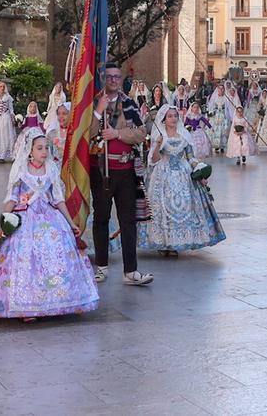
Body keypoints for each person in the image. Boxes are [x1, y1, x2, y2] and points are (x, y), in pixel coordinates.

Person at [0, 129, 99, 320]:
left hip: (50, 219)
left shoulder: (51, 170)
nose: (44, 152)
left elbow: (58, 199)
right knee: (26, 259)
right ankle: (26, 306)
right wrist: (3, 221)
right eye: (40, 148)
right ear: (30, 150)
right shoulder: (21, 171)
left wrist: (70, 222)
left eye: (46, 148)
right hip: (25, 219)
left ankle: (56, 301)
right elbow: (12, 198)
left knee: (54, 255)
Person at [90, 65, 154, 286]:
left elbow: (141, 132)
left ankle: (131, 271)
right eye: (109, 77)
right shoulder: (94, 102)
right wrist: (99, 111)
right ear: (103, 78)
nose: (114, 80)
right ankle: (101, 267)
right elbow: (85, 133)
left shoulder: (129, 103)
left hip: (125, 171)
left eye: (117, 77)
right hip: (102, 171)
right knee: (101, 219)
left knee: (128, 221)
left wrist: (117, 133)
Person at [139, 105, 226, 254]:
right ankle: (164, 243)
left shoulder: (184, 134)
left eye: (175, 116)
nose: (173, 119)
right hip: (163, 174)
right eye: (170, 116)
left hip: (183, 174)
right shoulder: (160, 137)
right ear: (164, 120)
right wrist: (158, 144)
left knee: (185, 206)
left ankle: (178, 242)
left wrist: (199, 170)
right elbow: (153, 160)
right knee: (163, 208)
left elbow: (190, 157)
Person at [225, 89, 256, 165]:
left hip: (243, 133)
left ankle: (243, 155)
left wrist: (243, 131)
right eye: (238, 111)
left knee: (244, 144)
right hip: (236, 133)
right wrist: (235, 132)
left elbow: (246, 126)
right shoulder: (235, 118)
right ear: (236, 112)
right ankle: (238, 157)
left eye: (241, 111)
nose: (240, 113)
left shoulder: (245, 118)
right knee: (237, 145)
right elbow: (233, 126)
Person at [205, 83, 233, 155]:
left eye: (222, 88)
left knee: (223, 131)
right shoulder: (214, 97)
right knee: (215, 130)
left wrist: (232, 117)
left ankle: (222, 145)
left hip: (224, 116)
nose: (221, 90)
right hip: (216, 116)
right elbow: (211, 106)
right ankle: (216, 145)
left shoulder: (227, 98)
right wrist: (210, 114)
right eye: (219, 88)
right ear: (217, 90)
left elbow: (229, 108)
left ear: (224, 89)